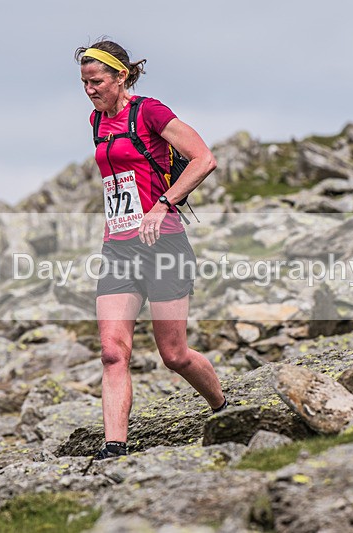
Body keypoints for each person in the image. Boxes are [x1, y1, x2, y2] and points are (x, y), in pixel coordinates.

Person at [75, 40, 228, 460]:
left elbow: (204, 159)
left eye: (97, 81)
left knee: (174, 355)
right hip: (119, 248)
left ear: (121, 76)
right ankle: (114, 447)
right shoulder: (96, 121)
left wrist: (163, 204)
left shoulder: (150, 112)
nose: (90, 90)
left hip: (164, 245)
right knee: (111, 352)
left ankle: (223, 409)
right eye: (84, 83)